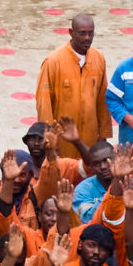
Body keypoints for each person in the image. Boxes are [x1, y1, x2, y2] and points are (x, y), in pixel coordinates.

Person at [34, 12, 107, 162]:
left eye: (90, 33)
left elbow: (102, 99)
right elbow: (44, 103)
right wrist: (50, 139)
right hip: (62, 139)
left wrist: (103, 136)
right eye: (82, 33)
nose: (87, 38)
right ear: (71, 33)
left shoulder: (98, 58)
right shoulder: (53, 61)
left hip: (89, 139)